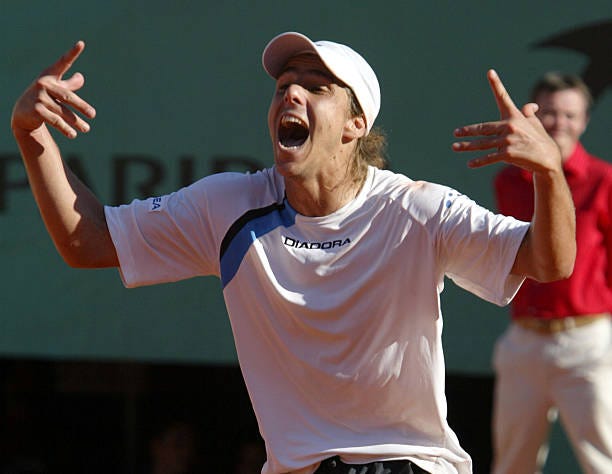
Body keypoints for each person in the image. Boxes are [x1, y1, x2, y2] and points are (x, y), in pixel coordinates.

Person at [11, 31, 576, 474]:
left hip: (409, 465)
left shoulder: (417, 210)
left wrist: (550, 173)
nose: (290, 91)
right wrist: (32, 136)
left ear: (357, 124)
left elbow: (548, 262)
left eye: (316, 85)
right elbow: (87, 242)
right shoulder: (229, 206)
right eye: (284, 83)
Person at [491, 72, 612, 474]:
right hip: (524, 341)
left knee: (604, 459)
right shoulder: (509, 180)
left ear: (584, 121)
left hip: (588, 344)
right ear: (533, 117)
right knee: (512, 463)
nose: (559, 123)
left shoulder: (603, 180)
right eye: (549, 113)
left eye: (569, 114)